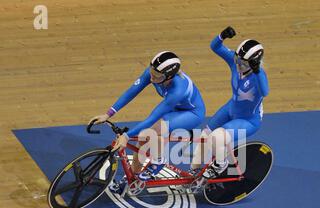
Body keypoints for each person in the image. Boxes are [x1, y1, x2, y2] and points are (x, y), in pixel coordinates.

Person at [90, 51, 206, 182]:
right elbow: (131, 91)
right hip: (175, 110)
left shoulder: (178, 90)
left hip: (192, 114)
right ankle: (133, 179)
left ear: (169, 77)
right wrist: (108, 114)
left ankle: (159, 160)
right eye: (152, 71)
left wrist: (126, 136)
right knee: (143, 139)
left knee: (152, 130)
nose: (152, 77)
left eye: (157, 76)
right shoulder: (155, 72)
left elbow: (153, 117)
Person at [191, 26, 269, 179]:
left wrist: (258, 71)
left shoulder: (259, 75)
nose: (239, 66)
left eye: (244, 64)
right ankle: (194, 171)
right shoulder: (236, 62)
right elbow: (215, 47)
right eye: (238, 61)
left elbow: (265, 92)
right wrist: (222, 35)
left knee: (216, 137)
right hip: (231, 108)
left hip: (248, 120)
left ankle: (221, 163)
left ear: (254, 64)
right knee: (204, 137)